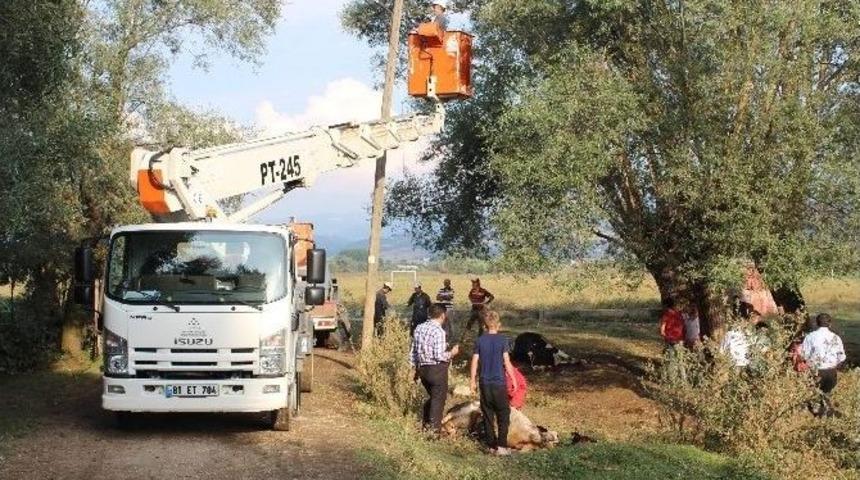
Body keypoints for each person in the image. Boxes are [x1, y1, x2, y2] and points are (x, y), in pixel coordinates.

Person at [470, 310, 517, 455]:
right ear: (499, 325)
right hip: (499, 382)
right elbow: (507, 362)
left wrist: (472, 381)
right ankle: (502, 446)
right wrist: (513, 379)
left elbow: (475, 361)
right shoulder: (503, 340)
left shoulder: (480, 340)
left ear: (484, 325)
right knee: (503, 413)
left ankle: (491, 446)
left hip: (484, 382)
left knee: (488, 413)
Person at [411, 304, 459, 434]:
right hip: (436, 369)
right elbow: (439, 355)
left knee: (433, 397)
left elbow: (414, 351)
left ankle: (426, 424)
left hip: (423, 369)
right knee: (439, 399)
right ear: (443, 315)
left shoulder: (419, 328)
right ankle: (433, 431)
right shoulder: (439, 331)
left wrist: (415, 369)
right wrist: (452, 353)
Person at [801, 313, 846, 417]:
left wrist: (810, 363)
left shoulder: (810, 337)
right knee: (827, 392)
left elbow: (804, 354)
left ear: (817, 323)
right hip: (831, 371)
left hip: (816, 370)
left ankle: (816, 414)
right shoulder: (836, 338)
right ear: (830, 324)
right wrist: (835, 365)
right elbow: (842, 356)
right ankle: (826, 413)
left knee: (815, 392)